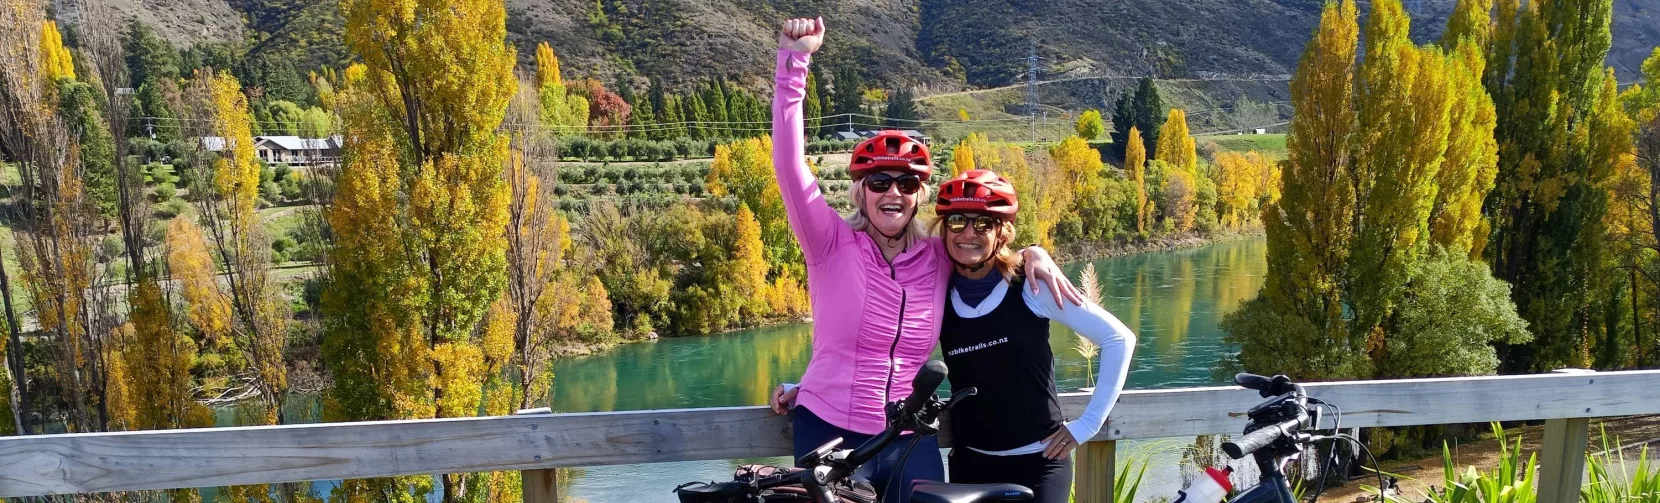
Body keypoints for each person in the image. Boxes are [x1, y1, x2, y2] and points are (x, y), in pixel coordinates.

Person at [766, 17, 1085, 503]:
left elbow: (984, 242)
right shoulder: (828, 243)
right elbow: (789, 166)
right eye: (878, 182)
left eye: (907, 183)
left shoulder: (937, 255)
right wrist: (795, 62)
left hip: (909, 434)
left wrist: (1032, 253)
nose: (892, 192)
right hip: (828, 426)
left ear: (920, 195)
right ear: (860, 191)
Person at [933, 170, 1136, 503]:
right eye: (957, 222)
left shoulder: (1031, 286)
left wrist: (1087, 425)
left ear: (1003, 231)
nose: (968, 233)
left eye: (983, 223)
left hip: (1040, 463)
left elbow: (1118, 339)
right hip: (970, 463)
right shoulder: (939, 290)